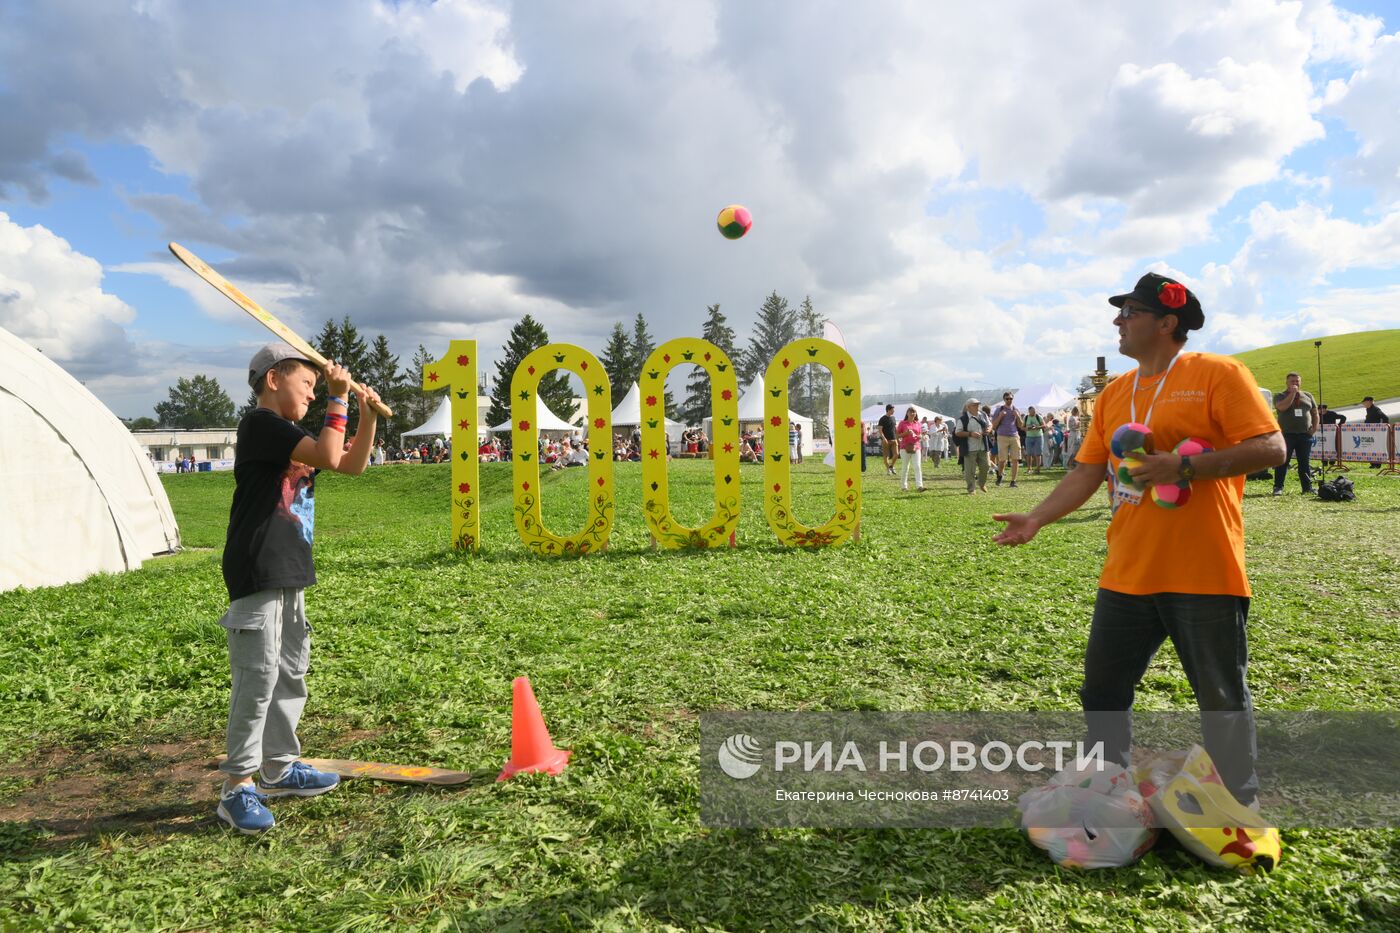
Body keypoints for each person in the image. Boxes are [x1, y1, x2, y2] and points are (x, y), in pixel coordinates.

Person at [992, 272, 1283, 809]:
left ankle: (1238, 805)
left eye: (1129, 313)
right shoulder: (1115, 394)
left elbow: (1271, 449)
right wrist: (1036, 519)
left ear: (1167, 322)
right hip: (1127, 571)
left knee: (1220, 697)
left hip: (1205, 569)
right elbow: (1085, 472)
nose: (1117, 322)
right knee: (1102, 692)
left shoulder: (1219, 373)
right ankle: (1105, 791)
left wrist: (1184, 465)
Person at [215, 344, 383, 833]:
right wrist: (339, 397)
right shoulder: (259, 424)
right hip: (258, 569)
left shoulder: (287, 433)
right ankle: (237, 787)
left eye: (317, 387)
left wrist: (366, 414)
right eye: (306, 385)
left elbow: (350, 464)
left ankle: (279, 768)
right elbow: (332, 455)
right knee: (258, 677)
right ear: (273, 380)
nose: (312, 395)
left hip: (290, 569)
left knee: (290, 672)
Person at [1272, 372, 1318, 496]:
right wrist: (1292, 394)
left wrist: (1314, 428)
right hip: (1286, 435)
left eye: (1297, 381)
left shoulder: (1308, 395)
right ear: (1286, 382)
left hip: (1305, 435)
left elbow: (1315, 413)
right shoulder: (1280, 395)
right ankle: (1278, 487)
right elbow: (1281, 408)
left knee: (1304, 463)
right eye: (1292, 381)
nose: (1295, 383)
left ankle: (1307, 488)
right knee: (1283, 462)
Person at [955, 398, 992, 493]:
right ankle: (971, 489)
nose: (977, 406)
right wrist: (970, 434)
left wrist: (988, 430)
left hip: (983, 446)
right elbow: (957, 432)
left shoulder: (983, 415)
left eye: (978, 404)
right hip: (970, 448)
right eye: (974, 405)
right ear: (968, 407)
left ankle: (981, 483)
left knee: (986, 466)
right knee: (970, 471)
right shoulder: (963, 419)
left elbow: (990, 425)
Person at [991, 393, 1024, 487]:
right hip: (1002, 436)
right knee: (1002, 460)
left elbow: (1021, 425)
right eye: (1007, 399)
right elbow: (993, 425)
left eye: (1011, 399)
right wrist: (1000, 416)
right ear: (1004, 399)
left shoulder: (1015, 409)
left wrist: (1017, 416)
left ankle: (1013, 481)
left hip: (1014, 436)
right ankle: (1000, 475)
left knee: (1015, 459)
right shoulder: (999, 410)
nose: (1009, 400)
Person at [896, 406, 926, 492]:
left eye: (914, 412)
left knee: (917, 466)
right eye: (911, 412)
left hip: (916, 447)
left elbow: (920, 435)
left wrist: (919, 436)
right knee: (905, 467)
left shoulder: (918, 424)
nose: (912, 413)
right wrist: (906, 433)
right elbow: (897, 435)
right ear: (907, 413)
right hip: (905, 448)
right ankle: (904, 487)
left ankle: (919, 486)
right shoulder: (902, 423)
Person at [1023, 406, 1045, 474]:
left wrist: (1037, 427)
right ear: (1029, 411)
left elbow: (1044, 425)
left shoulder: (1039, 417)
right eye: (1032, 412)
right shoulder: (1026, 417)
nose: (1034, 413)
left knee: (1038, 454)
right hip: (1029, 437)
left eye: (1034, 411)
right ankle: (1029, 468)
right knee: (1029, 453)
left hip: (1038, 436)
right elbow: (1022, 427)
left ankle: (1038, 469)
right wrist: (1027, 428)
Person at [877, 404, 898, 475]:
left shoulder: (894, 418)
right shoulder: (882, 419)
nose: (894, 411)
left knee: (896, 454)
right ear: (888, 410)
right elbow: (880, 430)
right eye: (892, 409)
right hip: (886, 440)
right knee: (886, 456)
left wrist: (898, 437)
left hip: (894, 439)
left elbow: (895, 428)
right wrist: (884, 438)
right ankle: (888, 469)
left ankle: (891, 466)